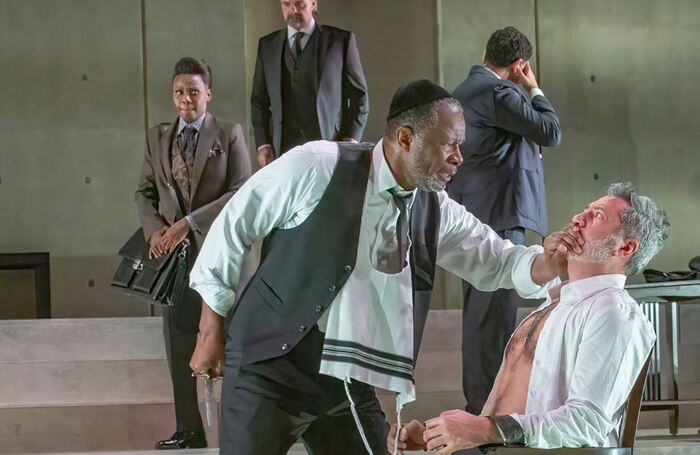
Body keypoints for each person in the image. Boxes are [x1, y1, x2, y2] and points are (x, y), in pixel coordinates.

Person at [188, 79, 577, 455]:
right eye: (450, 145)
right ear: (405, 138)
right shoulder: (319, 165)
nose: (460, 157)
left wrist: (544, 264)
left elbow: (493, 256)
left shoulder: (433, 206)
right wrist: (211, 327)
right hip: (267, 363)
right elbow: (234, 222)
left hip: (344, 374)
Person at [388, 182, 669, 454]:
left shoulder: (613, 313)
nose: (577, 219)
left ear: (625, 248)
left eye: (596, 216)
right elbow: (509, 411)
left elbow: (588, 423)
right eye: (585, 209)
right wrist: (434, 435)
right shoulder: (554, 304)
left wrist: (483, 430)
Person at [134, 57, 251, 450]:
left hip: (220, 254)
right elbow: (144, 192)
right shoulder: (156, 136)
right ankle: (189, 429)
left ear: (209, 95)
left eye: (194, 92)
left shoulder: (229, 133)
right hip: (175, 261)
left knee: (229, 343)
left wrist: (189, 222)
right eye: (180, 92)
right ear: (173, 95)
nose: (187, 99)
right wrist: (156, 231)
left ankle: (239, 432)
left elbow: (241, 192)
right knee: (179, 341)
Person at [446, 26, 562, 415]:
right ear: (518, 66)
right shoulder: (498, 92)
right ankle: (486, 413)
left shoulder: (465, 90)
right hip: (497, 216)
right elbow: (549, 131)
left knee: (481, 318)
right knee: (492, 321)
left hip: (476, 212)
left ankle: (483, 406)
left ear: (485, 51)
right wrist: (534, 88)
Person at [251, 0, 369, 167]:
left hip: (330, 147)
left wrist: (351, 139)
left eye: (300, 4)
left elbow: (360, 97)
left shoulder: (341, 41)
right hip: (283, 151)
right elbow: (258, 101)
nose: (293, 10)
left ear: (313, 3)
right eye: (286, 4)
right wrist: (263, 144)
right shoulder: (267, 45)